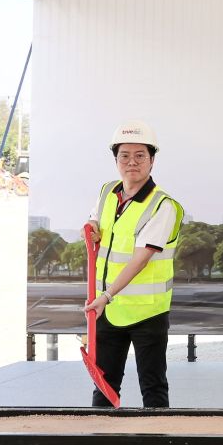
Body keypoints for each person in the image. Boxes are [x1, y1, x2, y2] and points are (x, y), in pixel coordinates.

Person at [83, 120, 183, 408]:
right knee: (104, 387)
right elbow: (95, 220)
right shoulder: (107, 192)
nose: (132, 162)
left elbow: (140, 260)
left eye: (140, 155)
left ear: (152, 160)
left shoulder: (163, 206)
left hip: (146, 312)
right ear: (116, 160)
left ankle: (156, 435)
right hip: (109, 310)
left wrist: (105, 296)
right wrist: (91, 227)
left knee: (153, 387)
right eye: (124, 155)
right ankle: (100, 434)